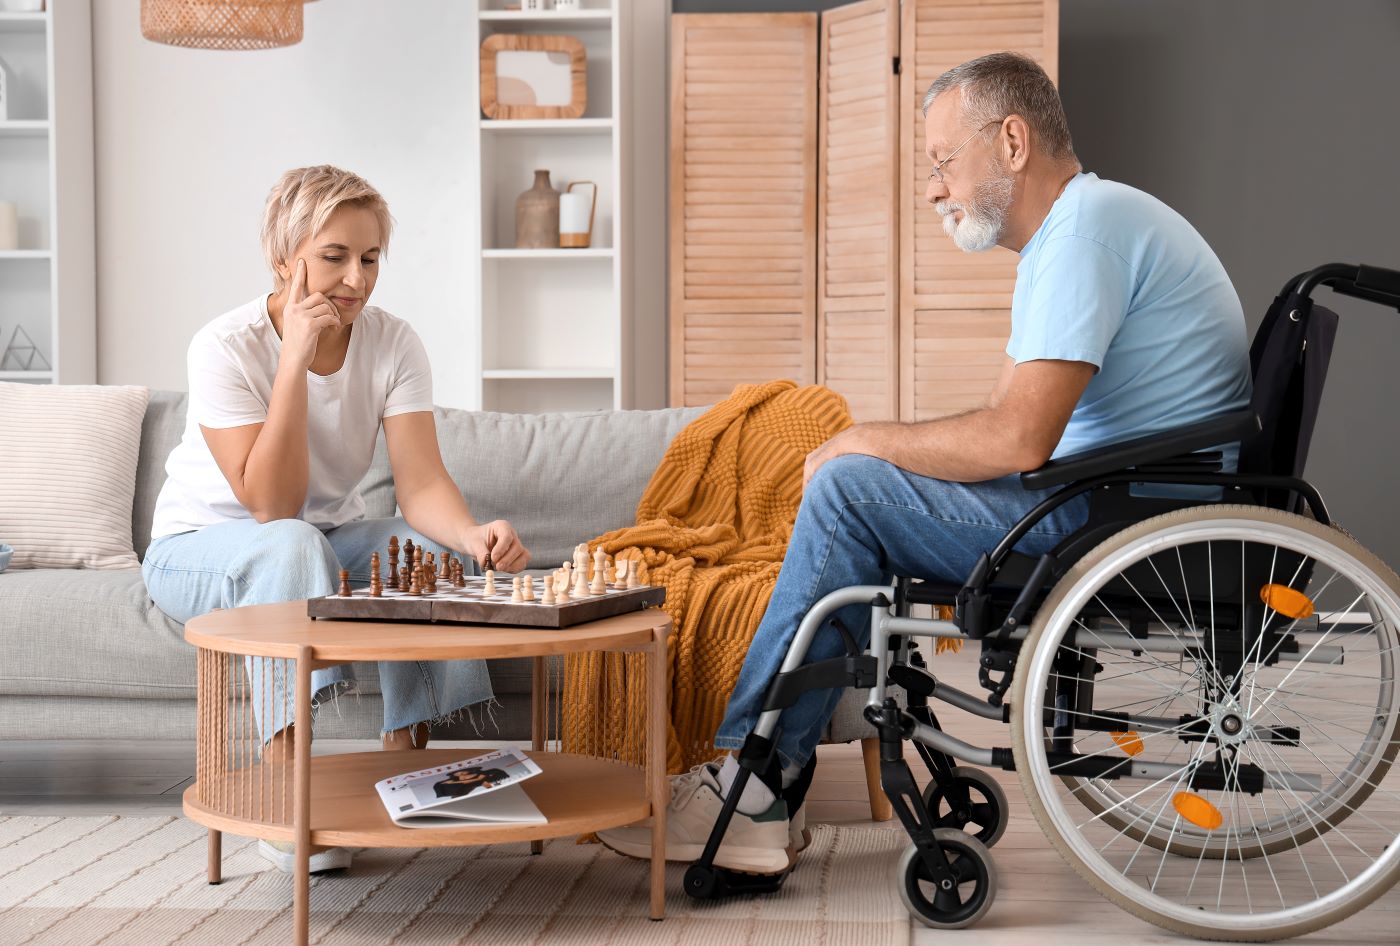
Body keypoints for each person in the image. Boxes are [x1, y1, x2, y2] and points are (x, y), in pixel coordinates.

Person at [598, 51, 1252, 875]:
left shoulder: (1084, 239)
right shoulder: (1077, 235)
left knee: (842, 489)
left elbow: (1014, 441)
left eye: (944, 160)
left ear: (1012, 142)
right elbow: (1000, 426)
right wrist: (877, 451)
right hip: (1112, 501)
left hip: (1111, 522)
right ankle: (765, 784)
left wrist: (858, 443)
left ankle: (753, 787)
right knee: (853, 483)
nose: (935, 187)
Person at [143, 165, 531, 872]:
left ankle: (410, 780)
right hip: (197, 550)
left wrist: (472, 535)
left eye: (371, 258)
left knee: (424, 551)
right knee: (289, 542)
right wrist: (292, 360)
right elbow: (271, 505)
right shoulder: (224, 347)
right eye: (334, 257)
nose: (356, 277)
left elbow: (421, 483)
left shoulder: (392, 341)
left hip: (315, 543)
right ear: (284, 259)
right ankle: (286, 800)